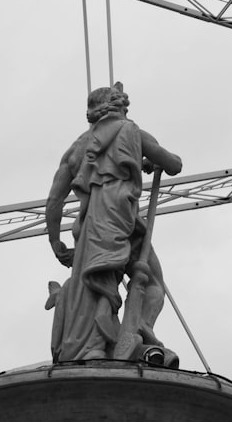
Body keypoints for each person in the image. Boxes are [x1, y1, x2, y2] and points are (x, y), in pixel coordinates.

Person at [45, 83, 182, 364]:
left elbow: (53, 202)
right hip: (122, 218)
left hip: (89, 225)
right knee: (152, 280)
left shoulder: (76, 149)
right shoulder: (133, 132)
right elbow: (174, 164)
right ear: (119, 106)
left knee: (94, 281)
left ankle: (100, 341)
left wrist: (55, 242)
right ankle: (140, 328)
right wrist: (146, 159)